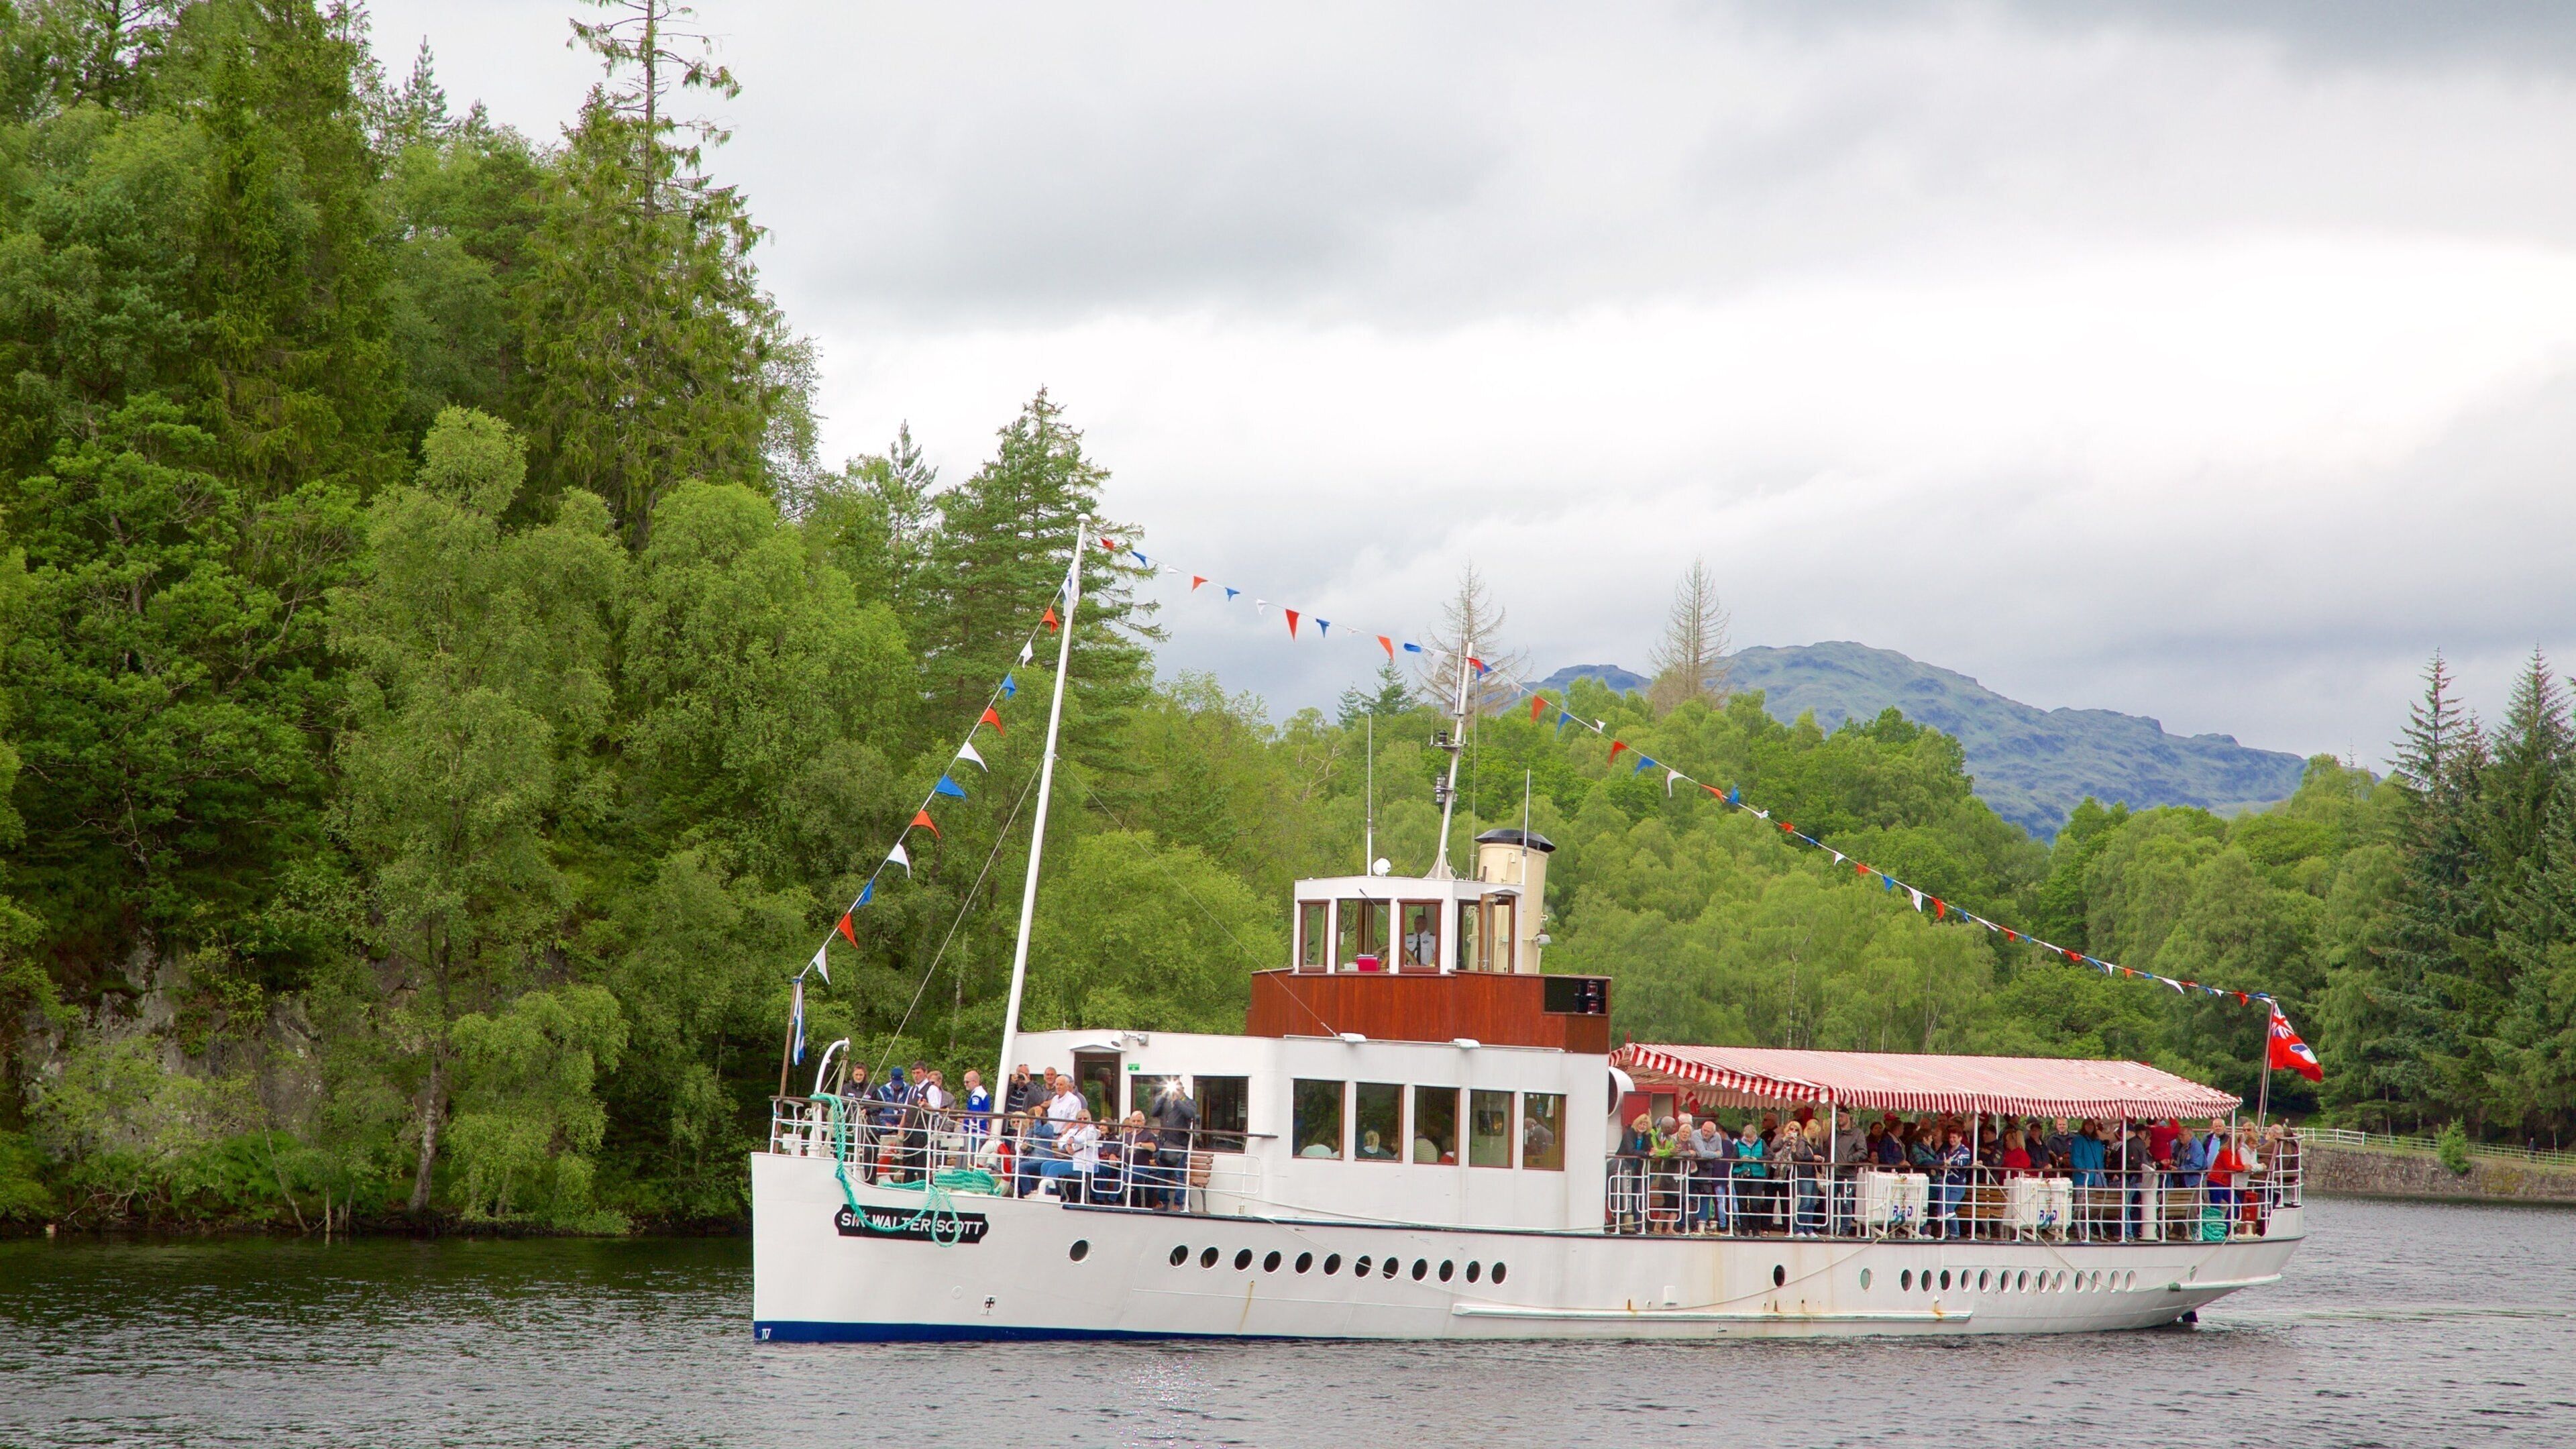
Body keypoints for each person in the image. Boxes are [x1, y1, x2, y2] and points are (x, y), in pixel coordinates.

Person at [1150, 1078, 1197, 1212]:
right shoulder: (1165, 1102)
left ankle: (1178, 1204)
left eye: (1177, 1088)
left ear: (1182, 1089)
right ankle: (1163, 1202)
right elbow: (1154, 1113)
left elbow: (1190, 1114)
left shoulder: (1189, 1102)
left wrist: (1177, 1100)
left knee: (1179, 1176)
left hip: (1180, 1145)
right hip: (1165, 1144)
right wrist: (1164, 1097)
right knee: (1162, 1174)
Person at [1689, 1118, 1729, 1234]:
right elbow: (1703, 1154)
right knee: (1691, 1195)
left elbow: (1721, 1153)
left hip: (1708, 1169)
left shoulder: (1717, 1136)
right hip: (1694, 1168)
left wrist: (1711, 1154)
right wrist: (1714, 1154)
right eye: (1704, 1130)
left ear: (1713, 1132)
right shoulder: (1696, 1135)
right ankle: (1691, 1223)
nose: (1705, 1133)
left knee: (1706, 1195)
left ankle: (1703, 1222)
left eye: (1708, 1132)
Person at [1733, 1120, 1770, 1233]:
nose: (1749, 1140)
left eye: (1751, 1138)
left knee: (1755, 1204)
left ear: (1755, 1135)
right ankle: (1744, 1231)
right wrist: (1741, 1160)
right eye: (1747, 1138)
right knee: (1742, 1203)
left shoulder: (1761, 1143)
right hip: (1741, 1175)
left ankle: (1756, 1231)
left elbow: (1770, 1155)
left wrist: (1757, 1160)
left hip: (1757, 1176)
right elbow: (1732, 1161)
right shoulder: (1738, 1144)